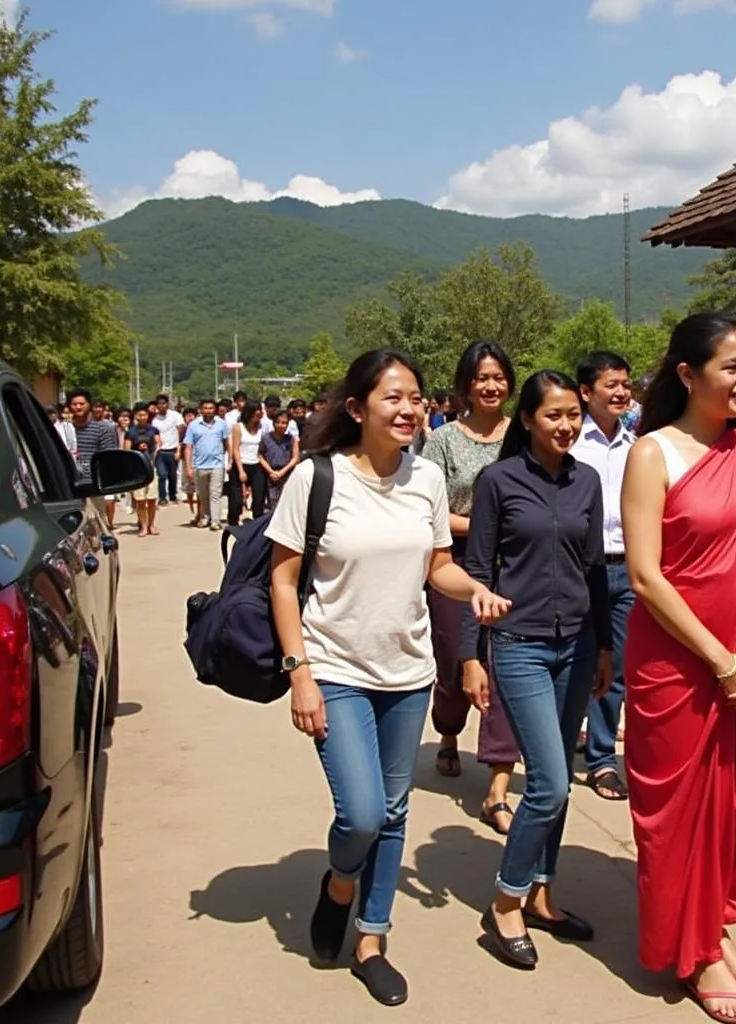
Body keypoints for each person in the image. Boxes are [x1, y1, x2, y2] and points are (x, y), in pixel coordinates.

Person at [267, 349, 509, 1006]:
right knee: (363, 813)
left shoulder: (427, 479)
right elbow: (284, 582)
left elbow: (437, 567)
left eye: (415, 398)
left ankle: (372, 939)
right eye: (392, 398)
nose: (408, 409)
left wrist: (476, 590)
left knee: (395, 812)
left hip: (407, 673)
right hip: (335, 669)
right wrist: (300, 674)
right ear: (357, 408)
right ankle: (340, 884)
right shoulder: (316, 480)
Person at [621, 313, 736, 1023]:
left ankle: (717, 919)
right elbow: (645, 576)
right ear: (688, 375)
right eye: (731, 366)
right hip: (678, 663)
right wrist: (721, 660)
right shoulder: (653, 454)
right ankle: (697, 952)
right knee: (681, 817)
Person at [463, 370, 613, 970]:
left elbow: (596, 568)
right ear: (527, 420)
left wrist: (603, 647)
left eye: (573, 414)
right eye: (553, 415)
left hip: (576, 645)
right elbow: (477, 569)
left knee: (560, 783)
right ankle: (506, 899)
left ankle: (543, 894)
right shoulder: (498, 481)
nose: (567, 425)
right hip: (520, 643)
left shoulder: (589, 481)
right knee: (548, 780)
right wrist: (474, 655)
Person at [421, 340, 521, 834]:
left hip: (514, 564)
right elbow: (430, 512)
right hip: (454, 564)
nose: (491, 385)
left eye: (499, 376)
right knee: (455, 659)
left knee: (504, 667)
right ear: (466, 384)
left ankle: (498, 786)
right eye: (482, 377)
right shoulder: (441, 441)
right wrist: (483, 526)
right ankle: (447, 732)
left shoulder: (522, 434)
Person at [571, 350, 636, 801]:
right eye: (611, 384)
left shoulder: (639, 446)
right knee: (573, 662)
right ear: (585, 392)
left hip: (629, 569)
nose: (621, 392)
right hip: (580, 569)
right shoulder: (571, 444)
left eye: (625, 384)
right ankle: (557, 743)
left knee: (617, 670)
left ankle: (601, 758)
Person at [68, 388, 119, 528]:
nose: (78, 407)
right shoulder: (64, 429)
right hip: (69, 486)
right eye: (74, 404)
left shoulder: (102, 429)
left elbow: (108, 458)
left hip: (93, 485)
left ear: (89, 405)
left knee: (99, 524)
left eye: (82, 403)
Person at [184, 398, 230, 530]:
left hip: (217, 464)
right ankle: (205, 517)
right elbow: (188, 447)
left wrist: (228, 459)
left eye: (211, 408)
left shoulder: (221, 424)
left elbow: (227, 443)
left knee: (215, 494)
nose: (208, 411)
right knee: (203, 495)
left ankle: (215, 520)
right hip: (199, 465)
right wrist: (188, 467)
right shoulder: (193, 426)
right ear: (200, 409)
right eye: (206, 408)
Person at [124, 402, 161, 536]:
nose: (143, 417)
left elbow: (158, 444)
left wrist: (155, 452)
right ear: (136, 416)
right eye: (140, 415)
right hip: (137, 469)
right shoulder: (131, 432)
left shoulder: (153, 430)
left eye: (145, 414)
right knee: (140, 500)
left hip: (150, 466)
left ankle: (151, 525)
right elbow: (126, 450)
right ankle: (143, 526)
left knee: (151, 499)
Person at [229, 399, 266, 525]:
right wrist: (240, 470)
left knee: (259, 498)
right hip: (241, 464)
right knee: (237, 500)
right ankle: (233, 522)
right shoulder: (238, 427)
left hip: (257, 465)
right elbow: (235, 449)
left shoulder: (262, 427)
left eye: (260, 411)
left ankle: (257, 524)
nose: (258, 413)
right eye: (256, 410)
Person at [259, 408, 300, 508]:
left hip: (287, 473)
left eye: (285, 423)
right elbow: (260, 455)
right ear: (273, 423)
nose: (282, 425)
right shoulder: (265, 438)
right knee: (273, 503)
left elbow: (295, 457)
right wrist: (271, 472)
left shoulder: (291, 439)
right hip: (271, 474)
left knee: (286, 503)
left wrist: (282, 471)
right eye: (279, 422)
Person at [153, 393, 183, 506]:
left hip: (173, 449)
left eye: (164, 403)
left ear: (168, 404)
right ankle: (162, 497)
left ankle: (172, 495)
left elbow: (181, 430)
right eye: (159, 404)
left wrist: (179, 449)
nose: (162, 406)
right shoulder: (154, 420)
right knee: (162, 475)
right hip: (160, 451)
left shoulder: (175, 416)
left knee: (173, 475)